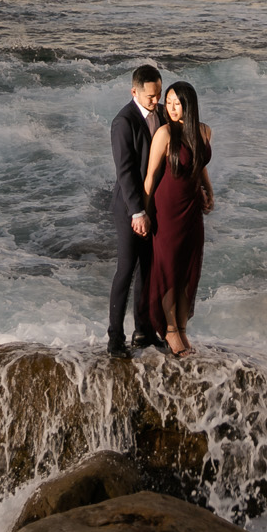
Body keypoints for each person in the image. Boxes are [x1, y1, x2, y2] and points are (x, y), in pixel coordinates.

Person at [143, 80, 214, 358]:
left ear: (189, 104)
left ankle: (182, 327)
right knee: (169, 269)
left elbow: (200, 166)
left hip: (192, 208)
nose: (171, 108)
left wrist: (209, 189)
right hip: (168, 208)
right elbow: (150, 177)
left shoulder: (205, 131)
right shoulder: (164, 133)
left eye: (177, 103)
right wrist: (144, 214)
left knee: (189, 268)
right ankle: (170, 329)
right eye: (168, 102)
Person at [107, 64, 167, 357]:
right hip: (129, 207)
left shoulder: (163, 114)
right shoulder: (123, 122)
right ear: (135, 92)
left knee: (148, 269)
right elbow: (126, 172)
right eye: (151, 97)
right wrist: (137, 213)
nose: (157, 102)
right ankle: (114, 337)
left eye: (159, 95)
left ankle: (143, 330)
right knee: (126, 270)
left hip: (155, 205)